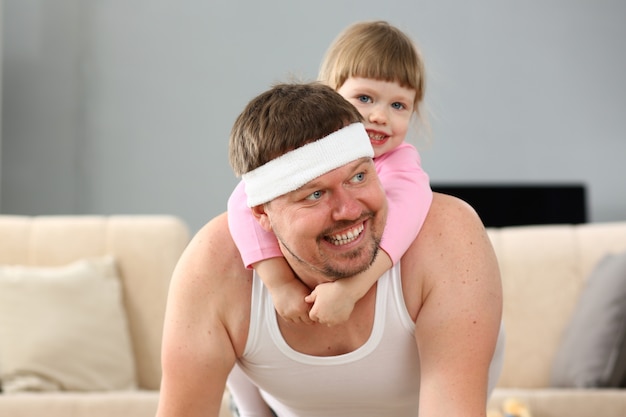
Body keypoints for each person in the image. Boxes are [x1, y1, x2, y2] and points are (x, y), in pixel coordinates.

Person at [156, 81, 505, 417]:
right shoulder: (215, 264)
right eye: (315, 195)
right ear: (261, 214)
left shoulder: (447, 236)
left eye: (358, 177)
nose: (350, 210)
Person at [227, 21, 432, 326]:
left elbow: (405, 214)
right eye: (364, 98)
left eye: (399, 105)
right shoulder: (302, 154)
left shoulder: (401, 162)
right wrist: (279, 282)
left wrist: (351, 289)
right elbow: (246, 201)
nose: (380, 116)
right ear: (329, 96)